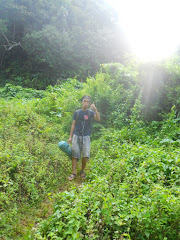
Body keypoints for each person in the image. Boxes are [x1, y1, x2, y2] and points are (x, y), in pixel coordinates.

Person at [68, 95, 100, 180]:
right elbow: (73, 125)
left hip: (86, 136)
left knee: (85, 155)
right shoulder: (77, 112)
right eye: (84, 101)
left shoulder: (90, 112)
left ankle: (82, 171)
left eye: (87, 102)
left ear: (89, 104)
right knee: (75, 154)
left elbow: (98, 119)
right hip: (76, 135)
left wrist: (95, 109)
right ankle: (73, 172)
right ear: (82, 102)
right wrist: (70, 137)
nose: (86, 103)